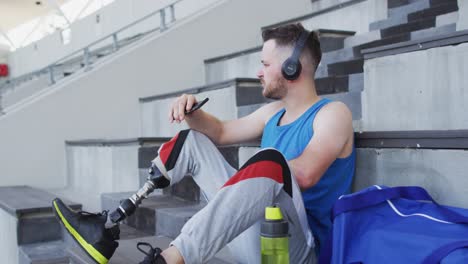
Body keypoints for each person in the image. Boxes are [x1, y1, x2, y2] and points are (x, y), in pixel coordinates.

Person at [52, 23, 355, 264]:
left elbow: (304, 175)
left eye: (265, 64)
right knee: (192, 140)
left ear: (292, 68)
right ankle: (106, 226)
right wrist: (192, 112)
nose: (258, 72)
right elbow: (220, 132)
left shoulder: (333, 114)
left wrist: (249, 179)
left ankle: (171, 259)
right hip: (256, 237)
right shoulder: (274, 114)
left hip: (297, 251)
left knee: (271, 162)